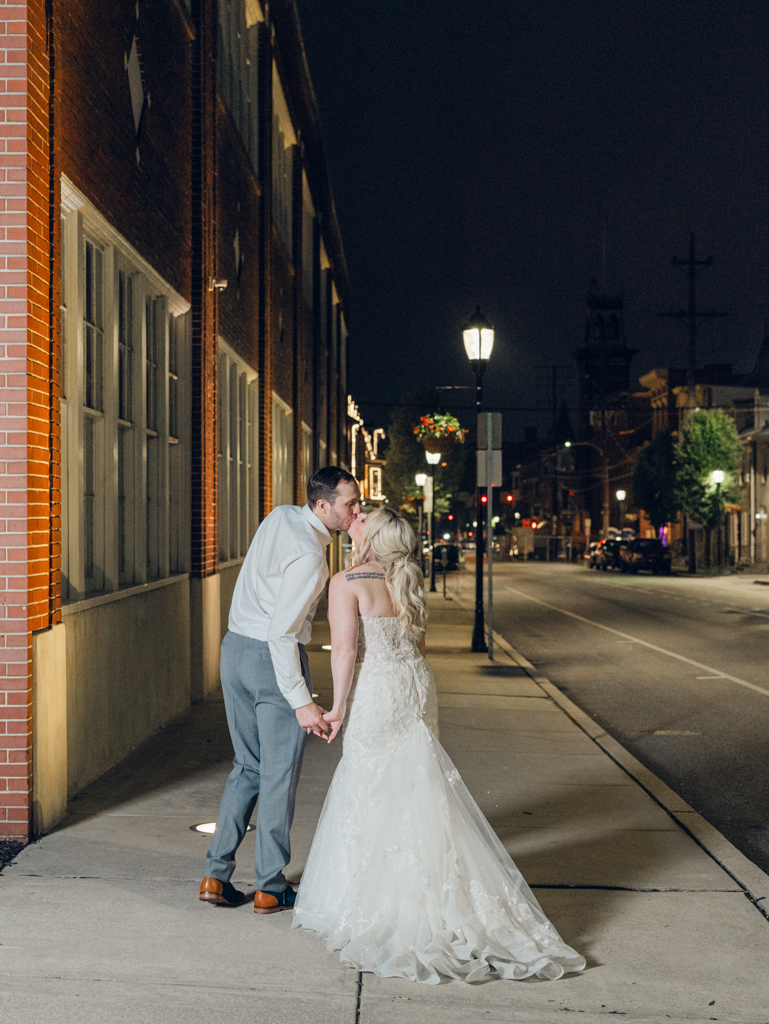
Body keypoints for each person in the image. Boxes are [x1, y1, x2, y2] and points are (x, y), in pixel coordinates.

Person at [293, 507, 586, 984]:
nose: (357, 518)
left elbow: (345, 650)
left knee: (370, 781)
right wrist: (416, 689)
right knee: (416, 787)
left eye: (364, 517)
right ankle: (429, 889)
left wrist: (339, 708)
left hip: (379, 689)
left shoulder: (348, 580)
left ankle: (373, 898)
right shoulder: (406, 579)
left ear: (371, 536)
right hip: (415, 684)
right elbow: (418, 646)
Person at [199, 467, 361, 913]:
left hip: (234, 651)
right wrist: (302, 701)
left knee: (247, 767)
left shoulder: (279, 516)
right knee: (278, 774)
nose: (357, 510)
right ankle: (271, 885)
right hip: (272, 662)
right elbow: (282, 634)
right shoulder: (311, 556)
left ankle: (215, 877)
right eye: (350, 503)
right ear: (323, 506)